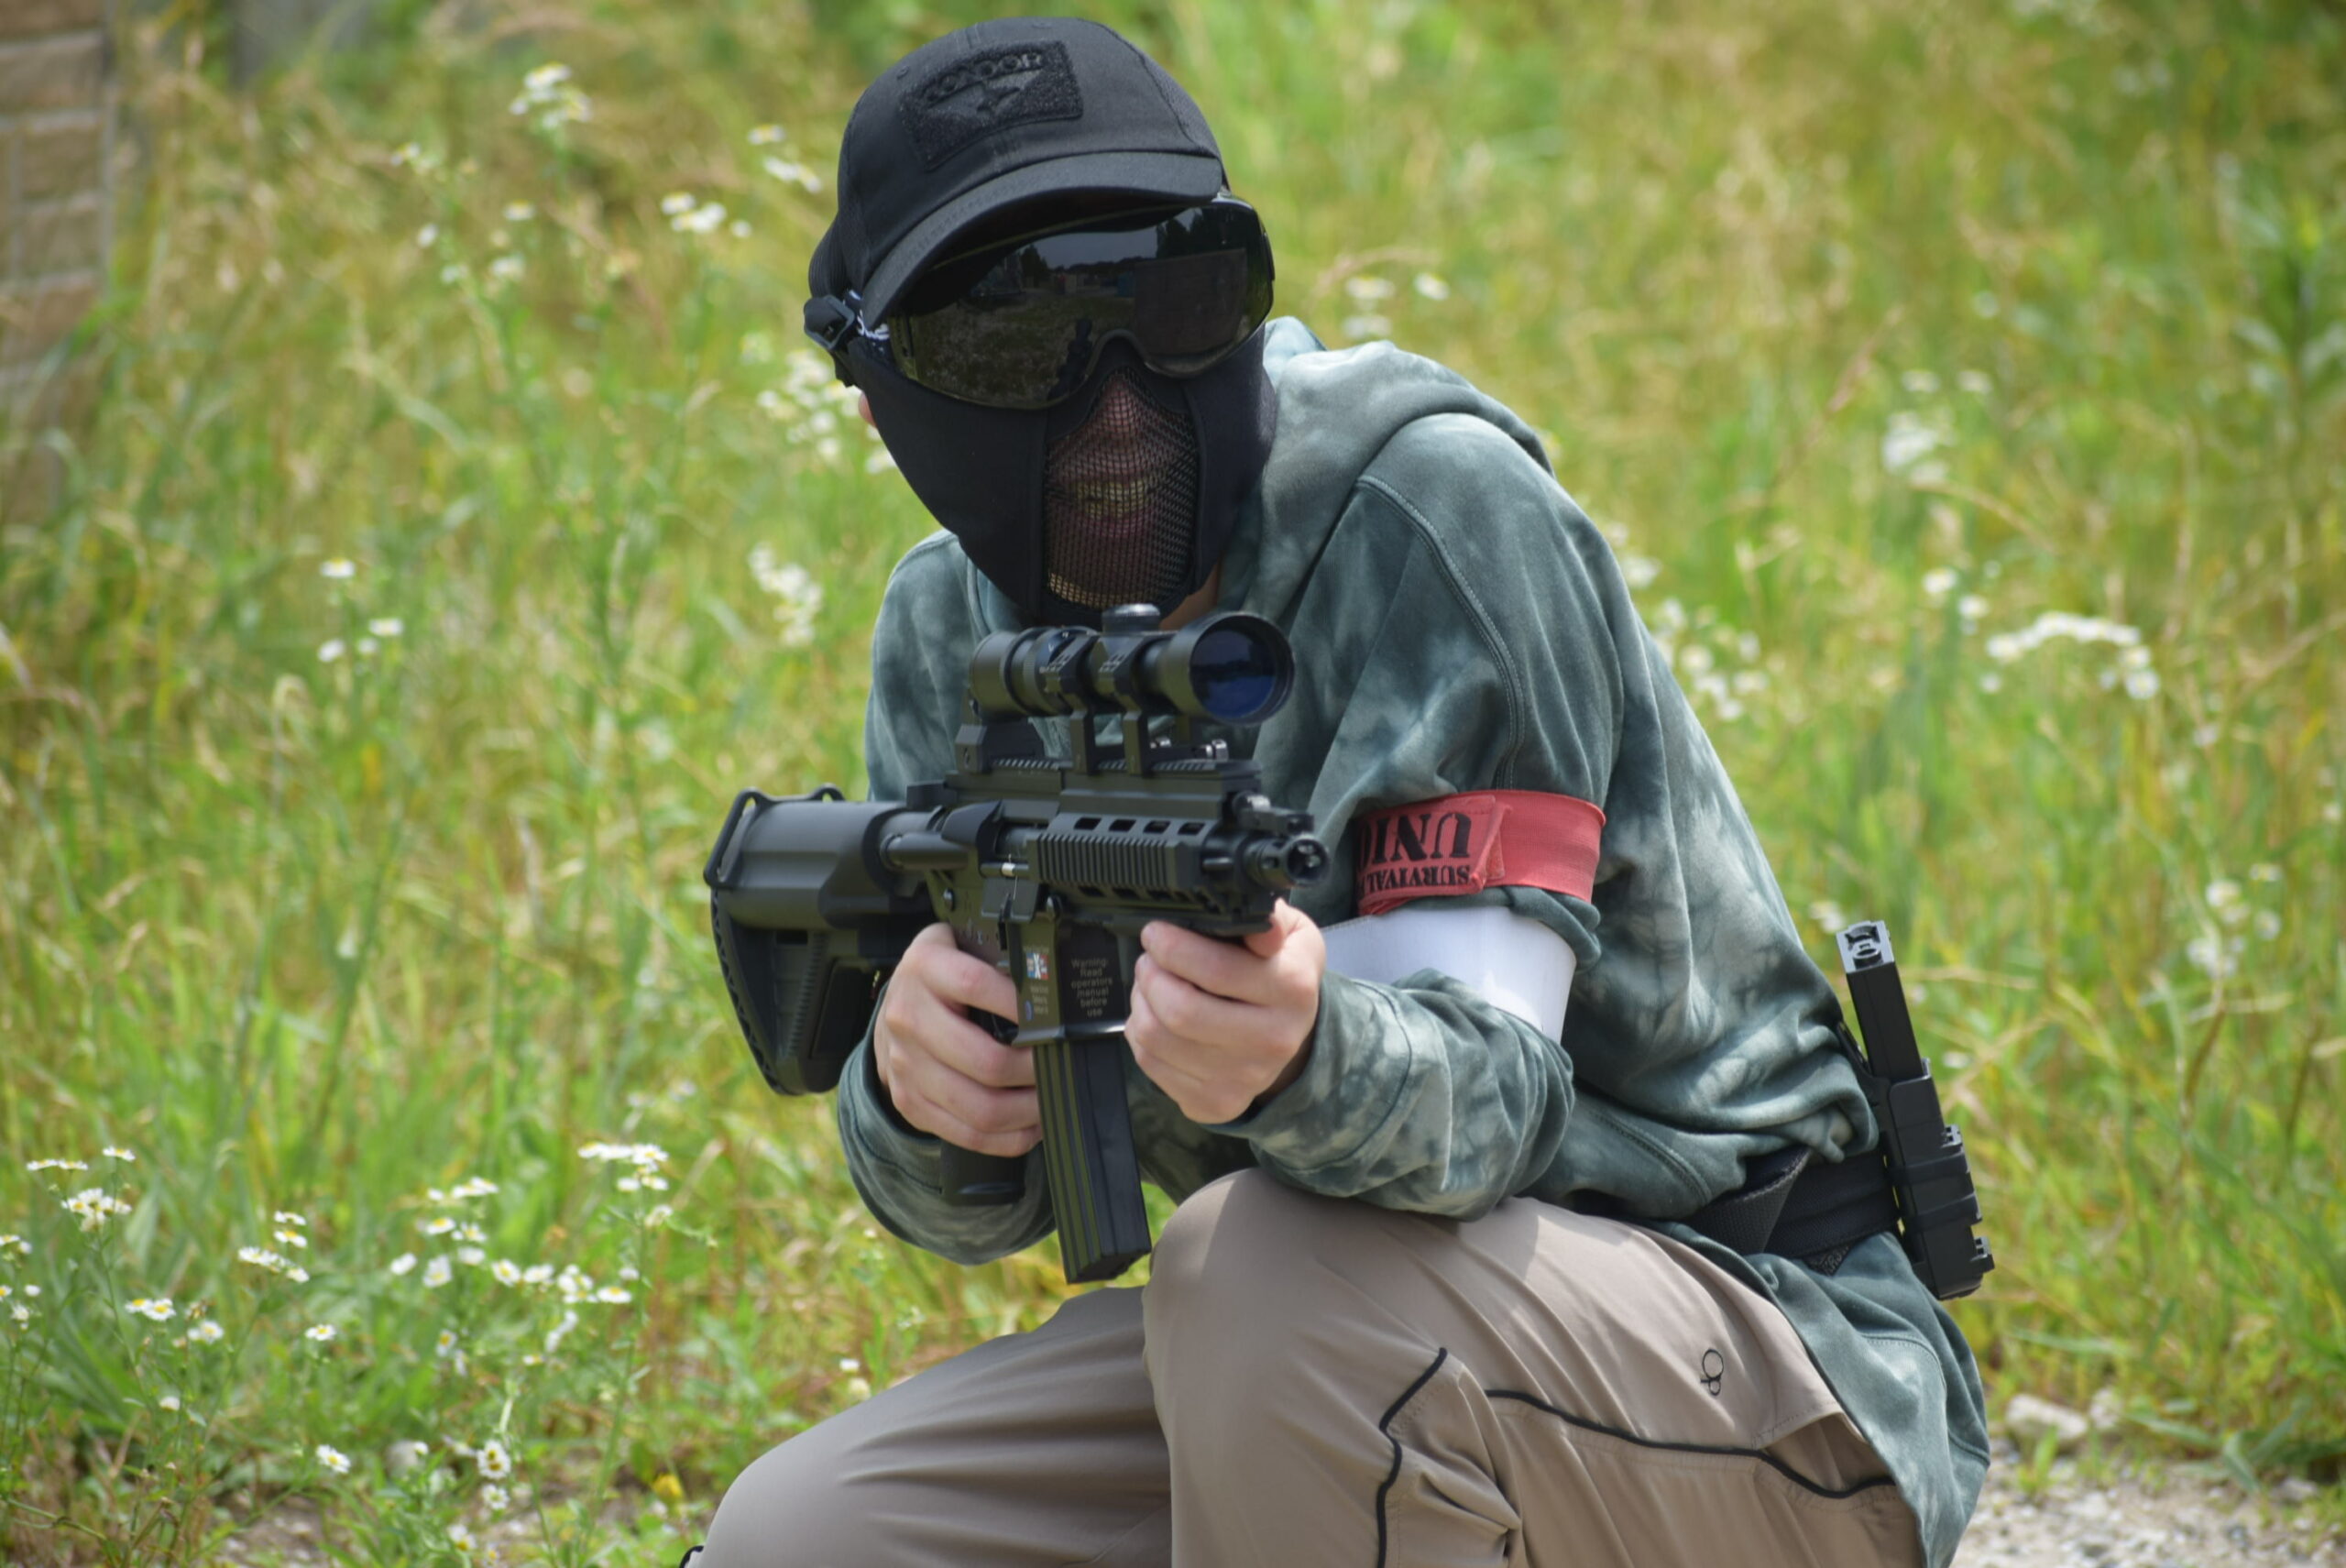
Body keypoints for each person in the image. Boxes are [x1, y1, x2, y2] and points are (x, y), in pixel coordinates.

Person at [694, 16, 1987, 1568]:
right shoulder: (949, 627)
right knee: (806, 1536)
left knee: (1251, 1268)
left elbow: (1493, 1108)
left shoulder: (1436, 513)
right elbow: (987, 1209)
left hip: (1768, 1365)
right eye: (1008, 338)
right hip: (1332, 1352)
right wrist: (920, 1096)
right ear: (875, 397)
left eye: (1173, 297)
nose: (1115, 401)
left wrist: (1306, 1055)